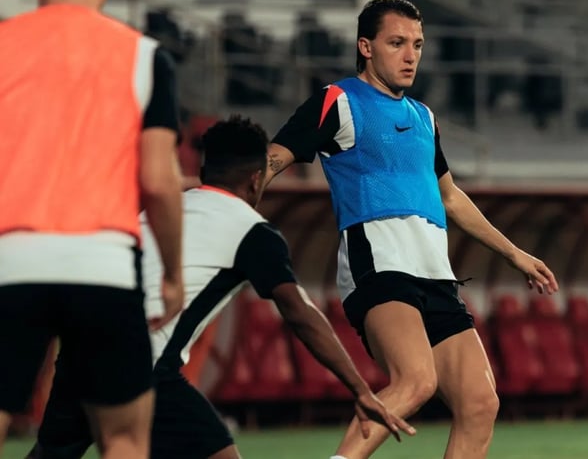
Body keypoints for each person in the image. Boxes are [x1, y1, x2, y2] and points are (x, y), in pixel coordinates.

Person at [265, 0, 559, 459]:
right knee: (417, 381)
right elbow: (270, 161)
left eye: (418, 45)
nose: (410, 56)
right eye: (397, 43)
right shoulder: (338, 100)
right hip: (379, 264)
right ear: (366, 47)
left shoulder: (424, 117)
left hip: (434, 273)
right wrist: (231, 211)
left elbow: (450, 197)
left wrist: (514, 254)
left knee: (481, 403)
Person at [27, 116, 415, 459]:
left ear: (203, 170)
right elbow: (300, 313)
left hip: (81, 350)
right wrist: (360, 390)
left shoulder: (162, 211)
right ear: (257, 178)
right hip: (141, 364)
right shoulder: (251, 230)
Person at [0, 0, 184, 457]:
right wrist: (171, 274)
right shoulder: (146, 57)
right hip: (104, 267)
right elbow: (159, 181)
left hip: (10, 262)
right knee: (123, 439)